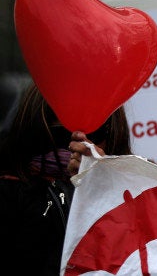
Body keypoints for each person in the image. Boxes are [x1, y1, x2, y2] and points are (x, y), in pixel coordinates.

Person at [0, 83, 132, 275]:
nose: (76, 148)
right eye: (61, 135)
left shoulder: (138, 191)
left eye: (93, 134)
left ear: (113, 133)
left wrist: (105, 188)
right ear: (35, 129)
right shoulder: (9, 193)